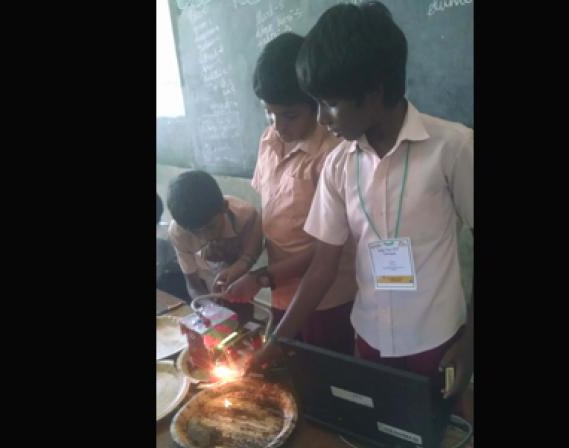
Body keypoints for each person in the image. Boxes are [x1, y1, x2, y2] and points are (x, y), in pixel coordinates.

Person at [248, 1, 474, 406]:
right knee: (374, 429)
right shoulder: (338, 164)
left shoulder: (453, 148)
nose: (321, 119)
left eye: (330, 104)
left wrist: (472, 343)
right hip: (368, 338)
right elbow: (322, 266)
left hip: (437, 339)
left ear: (373, 95)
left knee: (440, 430)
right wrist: (279, 339)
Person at [223, 32, 358, 355]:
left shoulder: (335, 154)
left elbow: (328, 250)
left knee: (324, 378)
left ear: (317, 104)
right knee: (287, 369)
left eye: (289, 115)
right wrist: (245, 263)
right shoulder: (269, 140)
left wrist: (261, 277)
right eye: (269, 113)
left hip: (327, 298)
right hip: (279, 290)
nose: (277, 125)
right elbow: (266, 215)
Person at [166, 170, 262, 321]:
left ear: (224, 207)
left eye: (210, 227)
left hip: (238, 283)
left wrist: (238, 267)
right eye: (194, 232)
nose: (206, 237)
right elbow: (193, 285)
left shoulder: (246, 216)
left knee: (243, 318)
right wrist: (211, 310)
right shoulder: (178, 232)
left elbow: (251, 254)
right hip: (204, 286)